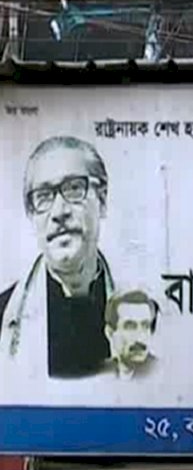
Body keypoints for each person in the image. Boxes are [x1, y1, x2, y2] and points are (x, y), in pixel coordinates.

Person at [0, 136, 115, 379]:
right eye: (43, 196)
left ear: (102, 200)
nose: (59, 212)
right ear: (31, 215)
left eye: (74, 188)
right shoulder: (3, 316)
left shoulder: (147, 314)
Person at [101, 289, 158, 380]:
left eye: (145, 326)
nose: (139, 338)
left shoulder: (161, 372)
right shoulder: (101, 373)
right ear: (110, 333)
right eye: (130, 327)